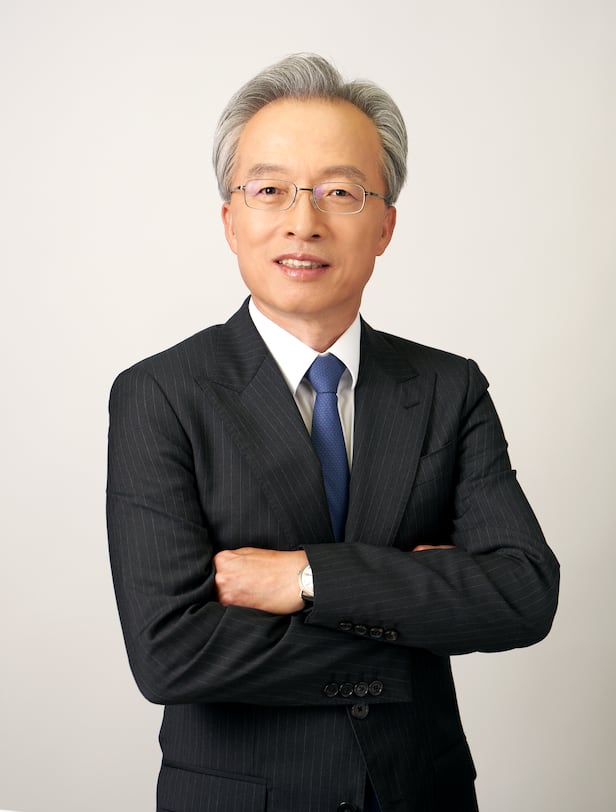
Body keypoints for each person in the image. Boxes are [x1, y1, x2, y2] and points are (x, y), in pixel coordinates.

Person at [106, 53, 559, 812]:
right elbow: (171, 655)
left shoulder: (448, 388)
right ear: (230, 220)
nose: (303, 221)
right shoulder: (160, 394)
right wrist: (410, 618)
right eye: (270, 190)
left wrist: (304, 579)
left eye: (340, 192)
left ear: (384, 226)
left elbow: (523, 594)